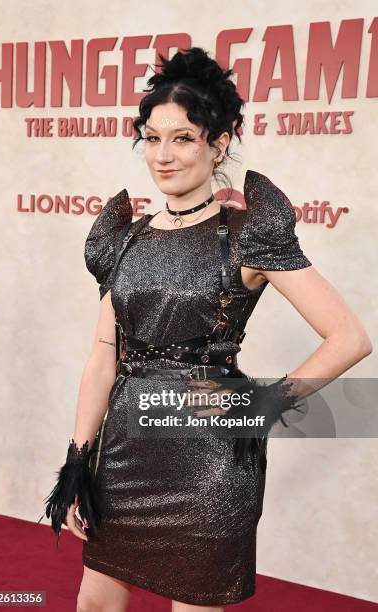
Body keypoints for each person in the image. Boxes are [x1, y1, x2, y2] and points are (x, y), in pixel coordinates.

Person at [39, 47, 372, 612]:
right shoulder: (123, 238)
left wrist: (264, 404)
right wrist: (79, 457)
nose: (162, 155)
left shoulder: (248, 234)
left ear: (218, 143)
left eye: (183, 138)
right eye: (151, 137)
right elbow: (103, 355)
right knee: (93, 601)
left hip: (208, 462)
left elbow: (350, 339)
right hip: (122, 454)